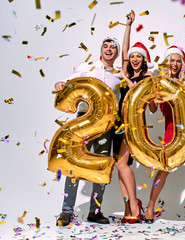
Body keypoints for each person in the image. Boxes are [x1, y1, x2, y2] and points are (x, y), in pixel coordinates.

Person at [54, 37, 122, 226]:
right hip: (83, 121)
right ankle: (66, 211)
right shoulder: (87, 67)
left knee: (100, 166)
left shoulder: (119, 75)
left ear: (117, 53)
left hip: (105, 127)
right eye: (106, 46)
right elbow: (67, 82)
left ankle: (95, 211)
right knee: (74, 164)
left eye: (113, 47)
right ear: (101, 50)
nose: (109, 49)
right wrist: (60, 83)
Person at [144, 16, 185, 224]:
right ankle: (150, 206)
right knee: (164, 168)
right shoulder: (159, 82)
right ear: (167, 62)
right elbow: (152, 108)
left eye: (178, 60)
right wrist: (149, 94)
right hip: (170, 129)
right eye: (172, 60)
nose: (175, 63)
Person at [113, 10, 154, 224]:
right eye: (132, 57)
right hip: (120, 122)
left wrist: (127, 80)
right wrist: (128, 26)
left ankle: (135, 206)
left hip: (134, 124)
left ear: (144, 59)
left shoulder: (148, 77)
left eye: (138, 57)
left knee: (121, 164)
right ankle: (128, 207)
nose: (134, 59)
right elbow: (125, 52)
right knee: (119, 165)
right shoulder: (128, 72)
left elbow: (140, 96)